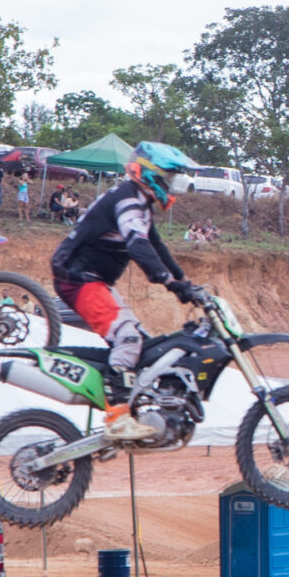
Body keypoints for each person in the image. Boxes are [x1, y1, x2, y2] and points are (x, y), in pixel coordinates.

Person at [50, 141, 198, 441]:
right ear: (149, 174)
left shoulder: (139, 201)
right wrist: (168, 281)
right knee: (128, 338)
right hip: (78, 278)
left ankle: (127, 405)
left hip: (93, 280)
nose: (172, 184)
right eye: (169, 177)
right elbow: (138, 246)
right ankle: (117, 421)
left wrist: (185, 284)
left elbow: (157, 246)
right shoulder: (127, 201)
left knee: (140, 344)